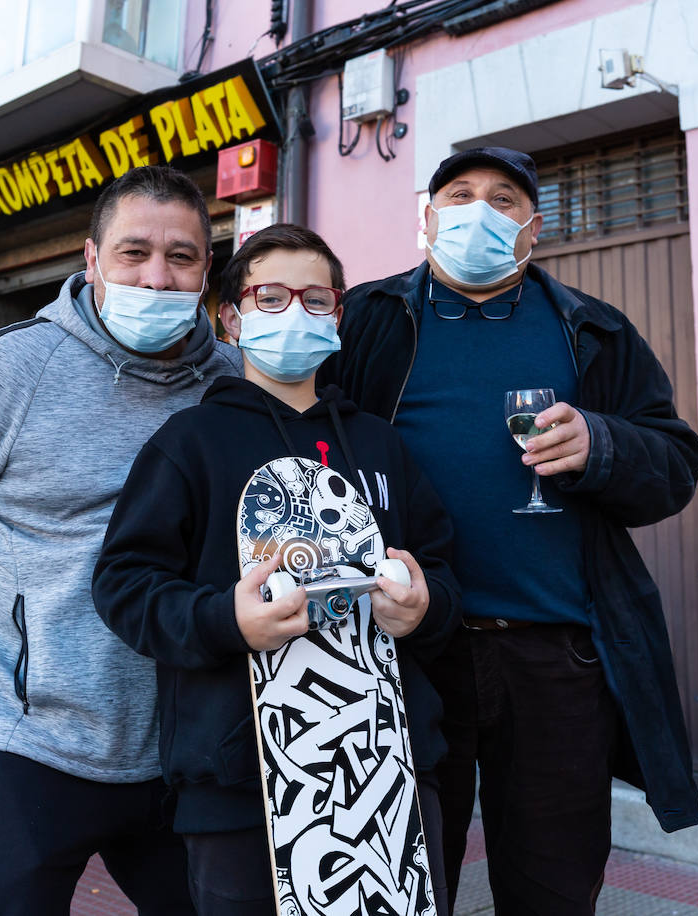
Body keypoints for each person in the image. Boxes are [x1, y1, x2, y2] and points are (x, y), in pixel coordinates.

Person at [318, 146, 698, 913]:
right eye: (458, 195)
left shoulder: (593, 329)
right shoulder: (365, 319)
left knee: (552, 888)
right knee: (396, 881)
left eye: (503, 200)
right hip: (406, 650)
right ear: (427, 221)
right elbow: (300, 435)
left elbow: (675, 462)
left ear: (534, 229)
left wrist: (604, 445)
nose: (479, 212)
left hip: (555, 657)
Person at [0, 165, 241, 914]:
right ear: (91, 259)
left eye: (181, 257)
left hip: (183, 740)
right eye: (133, 253)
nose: (157, 278)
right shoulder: (9, 367)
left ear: (207, 271)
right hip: (23, 742)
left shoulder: (231, 384)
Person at [93, 224, 459, 915]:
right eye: (270, 296)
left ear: (339, 315)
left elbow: (441, 571)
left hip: (388, 775)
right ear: (230, 317)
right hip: (241, 781)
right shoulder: (188, 445)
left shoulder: (383, 446)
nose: (296, 312)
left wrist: (425, 604)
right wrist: (223, 618)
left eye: (316, 299)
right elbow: (123, 585)